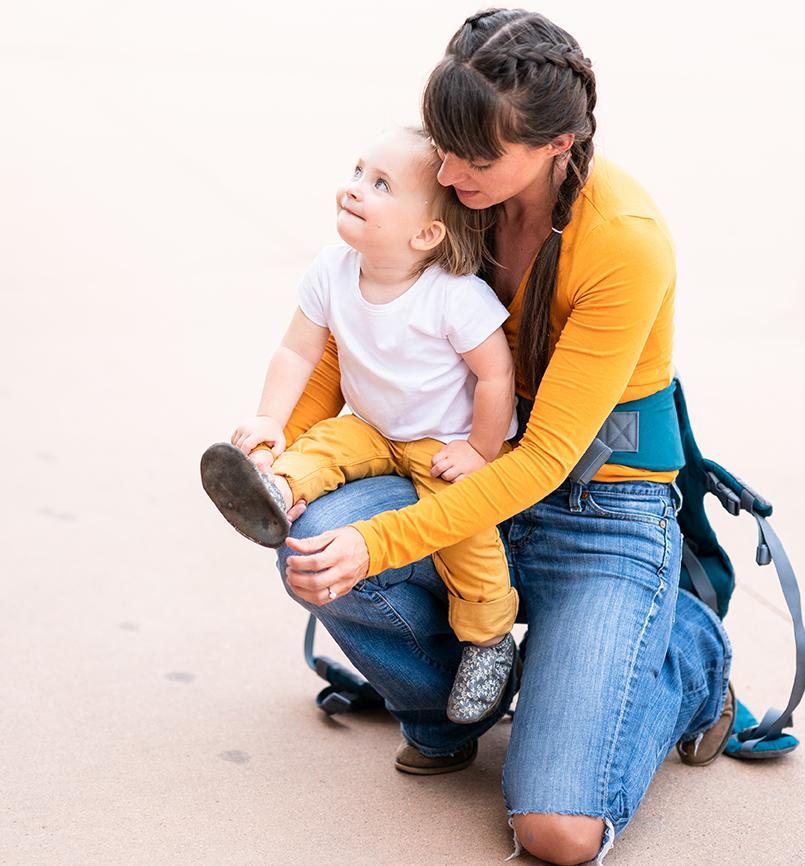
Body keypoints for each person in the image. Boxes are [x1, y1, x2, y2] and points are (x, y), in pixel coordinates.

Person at [272, 9, 734, 865]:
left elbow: (547, 459)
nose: (446, 172)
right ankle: (453, 704)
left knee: (558, 833)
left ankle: (688, 654)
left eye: (473, 159)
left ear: (558, 143)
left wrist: (378, 543)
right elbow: (347, 328)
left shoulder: (622, 242)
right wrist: (282, 448)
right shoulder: (455, 185)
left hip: (599, 507)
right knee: (308, 538)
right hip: (453, 470)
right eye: (442, 145)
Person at [201, 125, 522, 726]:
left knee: (468, 538)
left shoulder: (453, 296)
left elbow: (496, 376)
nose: (354, 189)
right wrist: (271, 420)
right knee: (320, 447)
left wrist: (480, 449)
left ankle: (488, 640)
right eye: (356, 172)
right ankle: (273, 490)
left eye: (380, 185)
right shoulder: (331, 270)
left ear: (427, 233)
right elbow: (296, 352)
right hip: (371, 426)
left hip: (440, 441)